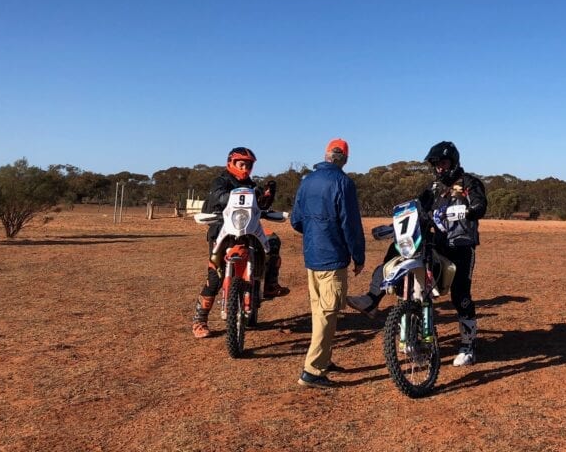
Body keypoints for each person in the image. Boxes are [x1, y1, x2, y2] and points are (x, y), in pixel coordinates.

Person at [348, 141, 487, 366]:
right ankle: (373, 298)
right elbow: (417, 210)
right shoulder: (433, 188)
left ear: (453, 161)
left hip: (461, 246)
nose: (440, 168)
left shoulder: (469, 183)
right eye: (436, 164)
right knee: (402, 261)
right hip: (437, 243)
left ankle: (468, 346)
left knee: (460, 295)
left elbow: (480, 206)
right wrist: (396, 225)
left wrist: (466, 210)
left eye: (443, 162)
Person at [191, 147, 289, 339]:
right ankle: (199, 320)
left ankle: (270, 283)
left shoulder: (251, 184)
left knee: (274, 241)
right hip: (222, 229)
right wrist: (248, 195)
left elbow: (260, 206)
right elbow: (219, 197)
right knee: (215, 277)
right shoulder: (220, 181)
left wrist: (266, 197)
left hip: (250, 229)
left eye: (248, 164)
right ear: (231, 162)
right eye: (241, 163)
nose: (245, 168)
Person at [290, 138, 365, 389]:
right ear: (344, 158)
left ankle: (324, 358)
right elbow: (351, 225)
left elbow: (296, 221)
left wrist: (315, 234)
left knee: (319, 313)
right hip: (332, 259)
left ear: (325, 155)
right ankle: (312, 371)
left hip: (312, 257)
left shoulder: (307, 181)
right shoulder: (344, 183)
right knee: (327, 314)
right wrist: (358, 256)